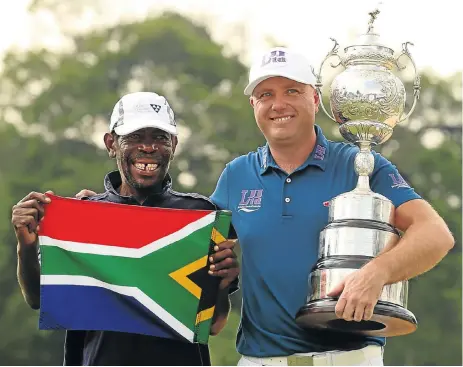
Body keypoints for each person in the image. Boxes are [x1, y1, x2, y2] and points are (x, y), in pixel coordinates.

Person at [209, 47, 454, 366]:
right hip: (259, 360)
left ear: (314, 98)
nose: (278, 104)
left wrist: (376, 273)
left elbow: (435, 235)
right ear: (253, 104)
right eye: (265, 94)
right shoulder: (236, 175)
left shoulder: (360, 165)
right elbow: (203, 256)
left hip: (347, 358)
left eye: (292, 90)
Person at [12, 92, 239, 366]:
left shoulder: (200, 215)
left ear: (174, 144)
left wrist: (223, 285)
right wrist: (25, 246)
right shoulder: (82, 215)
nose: (148, 147)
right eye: (134, 137)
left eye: (159, 137)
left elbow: (214, 323)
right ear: (111, 143)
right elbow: (37, 298)